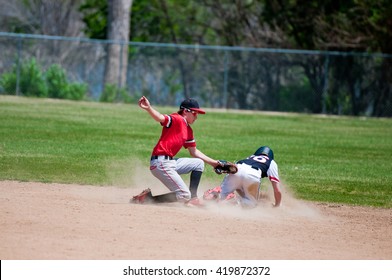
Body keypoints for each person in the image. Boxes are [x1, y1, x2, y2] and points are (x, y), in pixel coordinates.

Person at [134, 96, 222, 206]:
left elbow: (194, 152)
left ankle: (193, 198)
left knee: (198, 164)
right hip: (160, 162)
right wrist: (149, 108)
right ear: (186, 111)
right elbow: (160, 118)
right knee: (184, 195)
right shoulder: (177, 119)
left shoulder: (188, 130)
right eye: (195, 113)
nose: (196, 117)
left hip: (169, 162)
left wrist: (214, 163)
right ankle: (147, 200)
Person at [207, 146, 282, 208]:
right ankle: (234, 201)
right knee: (251, 204)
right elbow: (277, 190)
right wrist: (277, 205)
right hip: (253, 174)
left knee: (222, 194)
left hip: (237, 169)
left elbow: (239, 183)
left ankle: (212, 195)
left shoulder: (250, 157)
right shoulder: (271, 162)